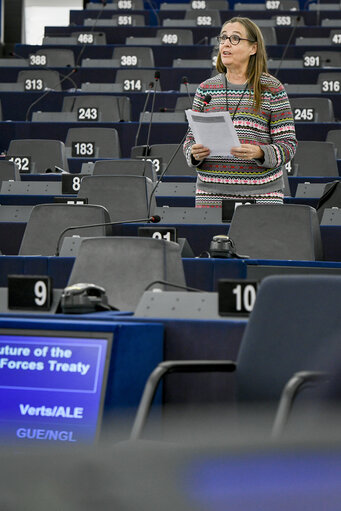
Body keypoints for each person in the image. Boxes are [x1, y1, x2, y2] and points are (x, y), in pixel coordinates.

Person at [183, 16, 297, 208]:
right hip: (211, 195)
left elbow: (288, 145)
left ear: (253, 48)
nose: (226, 43)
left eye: (235, 39)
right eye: (223, 38)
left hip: (261, 195)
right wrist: (194, 153)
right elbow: (189, 140)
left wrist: (260, 152)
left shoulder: (271, 88)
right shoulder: (206, 89)